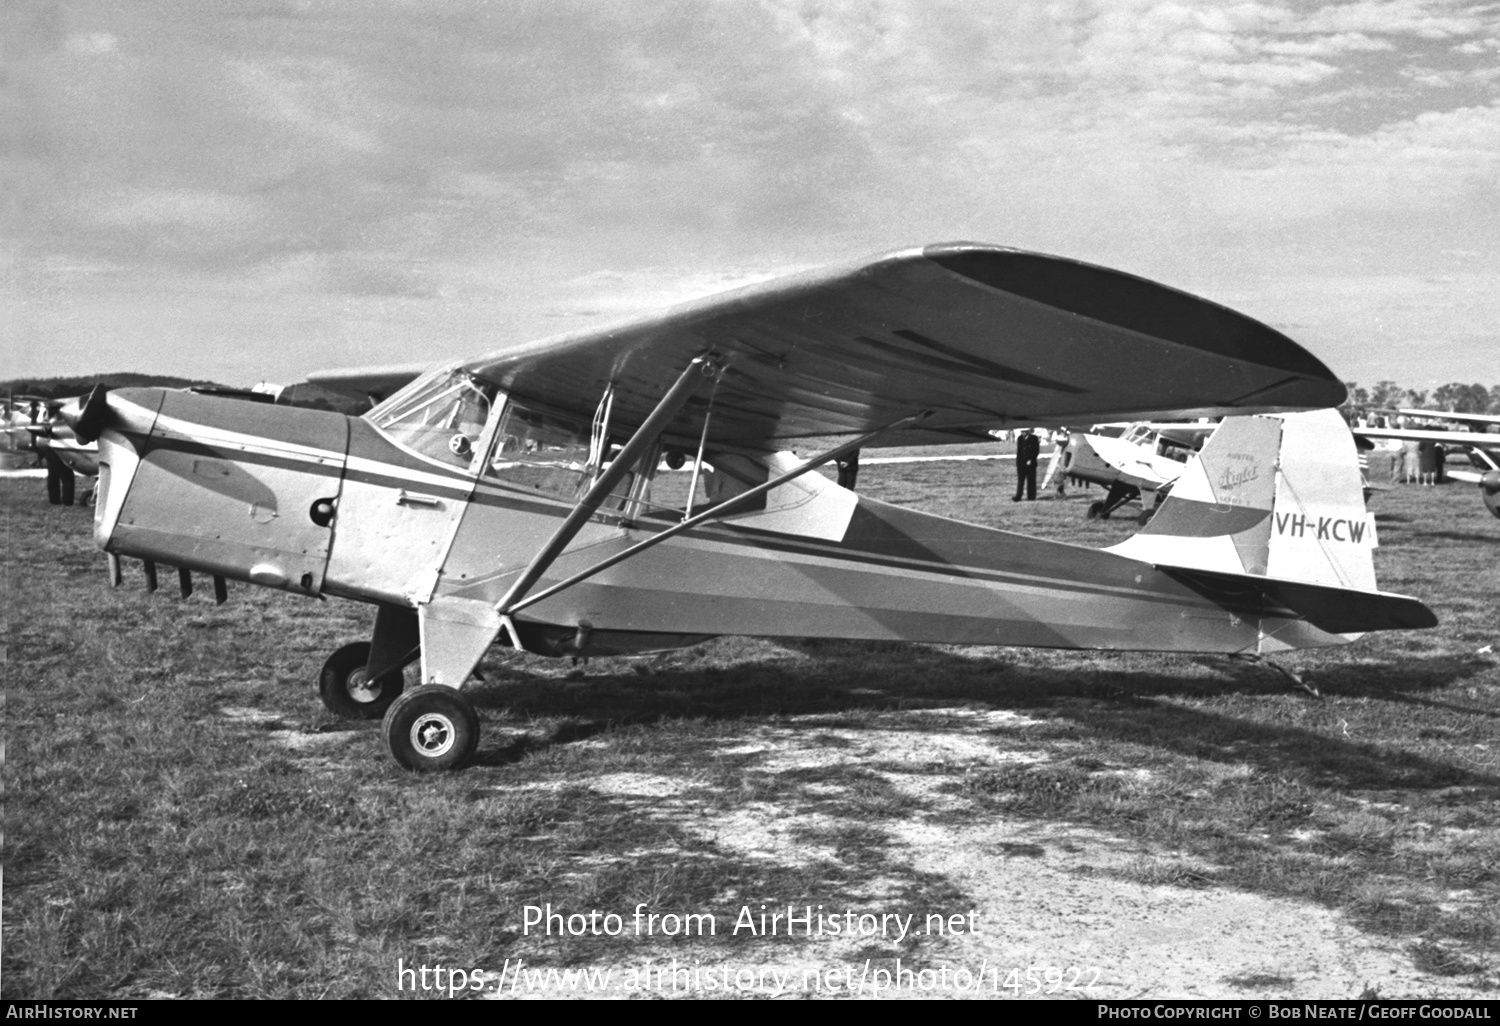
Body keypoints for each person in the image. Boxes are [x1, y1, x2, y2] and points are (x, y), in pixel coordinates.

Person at [1013, 428, 1040, 501]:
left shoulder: (1034, 438)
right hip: (1021, 462)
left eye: (1024, 431)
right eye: (1021, 431)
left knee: (1031, 480)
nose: (1022, 433)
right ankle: (1018, 495)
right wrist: (1018, 462)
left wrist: (1031, 459)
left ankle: (1031, 496)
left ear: (1027, 431)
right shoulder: (1020, 438)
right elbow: (1019, 451)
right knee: (1020, 480)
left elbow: (1036, 450)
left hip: (1031, 463)